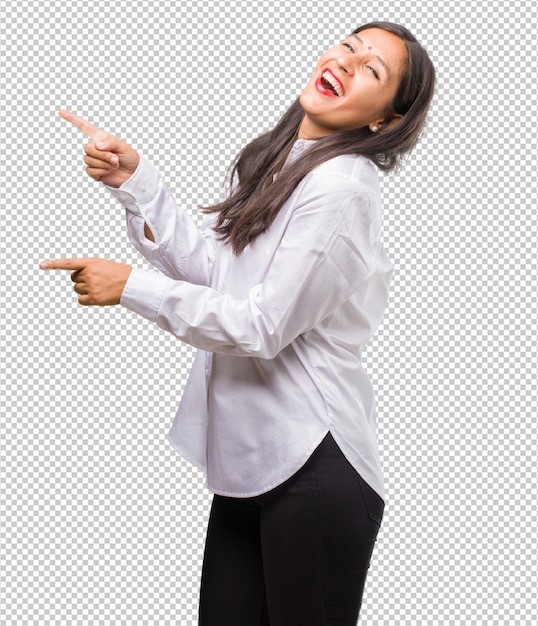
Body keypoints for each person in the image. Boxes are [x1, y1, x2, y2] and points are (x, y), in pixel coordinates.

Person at [41, 21, 435, 626]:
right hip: (252, 465)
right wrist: (136, 182)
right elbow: (215, 274)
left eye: (374, 70)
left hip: (313, 465)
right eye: (350, 46)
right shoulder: (285, 162)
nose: (348, 62)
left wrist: (132, 288)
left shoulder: (341, 188)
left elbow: (260, 326)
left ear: (384, 120)